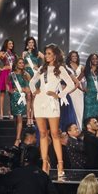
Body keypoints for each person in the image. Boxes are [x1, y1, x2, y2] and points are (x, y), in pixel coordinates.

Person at [29, 44, 77, 177]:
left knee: (55, 134)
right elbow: (32, 82)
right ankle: (45, 163)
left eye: (49, 53)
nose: (47, 56)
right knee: (43, 133)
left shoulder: (60, 68)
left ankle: (60, 164)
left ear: (55, 55)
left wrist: (59, 95)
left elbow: (71, 84)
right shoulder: (42, 68)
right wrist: (34, 91)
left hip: (52, 103)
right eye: (46, 53)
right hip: (39, 101)